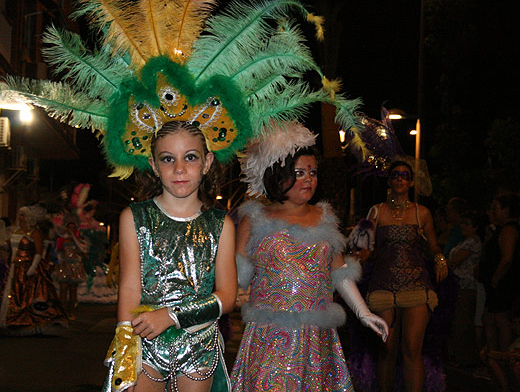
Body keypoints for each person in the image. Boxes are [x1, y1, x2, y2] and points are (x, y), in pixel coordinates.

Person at [230, 122, 387, 391]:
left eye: (313, 173)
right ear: (277, 175)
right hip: (271, 337)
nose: (309, 180)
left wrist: (363, 312)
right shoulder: (254, 218)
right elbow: (236, 277)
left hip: (316, 338)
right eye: (299, 173)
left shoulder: (324, 218)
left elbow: (339, 272)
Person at [103, 121, 236, 391]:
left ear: (207, 162)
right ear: (154, 165)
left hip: (199, 343)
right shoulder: (134, 218)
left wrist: (172, 316)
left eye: (190, 157)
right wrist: (126, 352)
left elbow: (227, 296)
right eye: (167, 159)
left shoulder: (221, 224)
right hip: (145, 341)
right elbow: (130, 288)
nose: (179, 168)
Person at [363, 160, 448, 392]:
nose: (399, 179)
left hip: (416, 286)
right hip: (383, 285)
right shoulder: (376, 211)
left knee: (412, 349)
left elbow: (433, 245)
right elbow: (364, 246)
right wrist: (355, 256)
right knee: (387, 348)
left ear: (411, 182)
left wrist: (440, 258)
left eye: (404, 175)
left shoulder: (422, 213)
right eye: (395, 175)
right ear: (389, 181)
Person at [0, 205, 67, 335]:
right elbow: (9, 247)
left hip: (27, 268)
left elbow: (38, 252)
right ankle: (7, 319)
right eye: (20, 215)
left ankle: (27, 321)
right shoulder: (16, 231)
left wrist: (32, 268)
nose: (20, 218)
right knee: (8, 293)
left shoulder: (35, 232)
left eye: (23, 215)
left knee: (28, 294)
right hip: (13, 267)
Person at [479, 194, 520, 358]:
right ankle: (494, 357)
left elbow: (507, 258)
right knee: (489, 319)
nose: (493, 212)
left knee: (501, 320)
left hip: (503, 284)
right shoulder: (501, 229)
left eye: (496, 208)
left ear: (506, 210)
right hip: (496, 284)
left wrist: (495, 279)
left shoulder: (509, 230)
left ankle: (504, 358)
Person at [447, 210, 484, 366]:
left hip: (466, 285)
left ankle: (465, 358)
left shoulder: (473, 242)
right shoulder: (464, 241)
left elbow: (455, 260)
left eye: (467, 224)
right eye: (462, 223)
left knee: (462, 323)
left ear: (475, 227)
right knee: (458, 321)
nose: (463, 226)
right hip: (458, 285)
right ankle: (460, 356)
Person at [54, 216, 87, 319]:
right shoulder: (61, 240)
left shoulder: (79, 240)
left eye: (73, 228)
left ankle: (70, 312)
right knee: (63, 289)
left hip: (74, 267)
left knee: (73, 290)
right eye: (69, 227)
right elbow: (57, 252)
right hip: (64, 266)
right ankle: (62, 312)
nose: (71, 230)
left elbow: (83, 251)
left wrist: (75, 239)